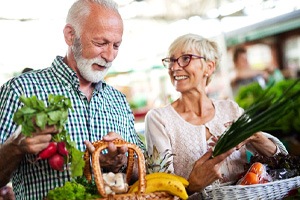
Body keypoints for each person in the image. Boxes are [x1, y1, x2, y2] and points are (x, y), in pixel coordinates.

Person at [0, 0, 144, 199]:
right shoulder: (20, 90)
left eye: (116, 45)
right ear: (70, 35)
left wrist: (122, 161)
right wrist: (15, 147)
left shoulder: (118, 100)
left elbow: (145, 174)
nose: (110, 56)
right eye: (100, 43)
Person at [144, 33, 288, 199]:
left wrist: (256, 137)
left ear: (209, 67)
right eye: (171, 60)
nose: (174, 67)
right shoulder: (159, 119)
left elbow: (281, 161)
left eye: (185, 59)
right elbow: (161, 192)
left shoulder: (231, 109)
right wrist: (192, 186)